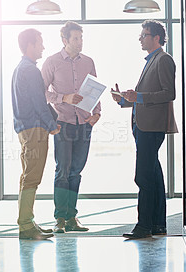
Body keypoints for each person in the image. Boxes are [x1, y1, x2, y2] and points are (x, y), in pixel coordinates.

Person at [111, 19, 178, 239]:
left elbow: (169, 93)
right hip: (144, 127)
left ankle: (144, 226)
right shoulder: (152, 60)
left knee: (143, 176)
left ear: (156, 37)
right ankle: (158, 224)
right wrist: (124, 100)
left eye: (144, 35)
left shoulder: (163, 60)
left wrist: (138, 96)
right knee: (154, 175)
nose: (140, 38)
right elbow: (145, 97)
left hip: (151, 128)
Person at [42, 21, 101, 233]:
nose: (79, 42)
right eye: (75, 38)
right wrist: (63, 97)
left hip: (84, 123)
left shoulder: (89, 62)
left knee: (76, 171)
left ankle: (71, 218)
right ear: (65, 40)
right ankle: (59, 219)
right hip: (63, 122)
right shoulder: (52, 62)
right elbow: (41, 92)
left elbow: (95, 89)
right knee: (63, 171)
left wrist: (97, 113)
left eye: (81, 38)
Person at [11, 28, 61, 240]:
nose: (43, 47)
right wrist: (52, 124)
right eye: (40, 43)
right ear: (30, 45)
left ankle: (28, 222)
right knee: (32, 178)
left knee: (27, 177)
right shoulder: (30, 70)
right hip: (35, 129)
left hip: (24, 128)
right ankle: (26, 226)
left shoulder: (20, 68)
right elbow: (39, 102)